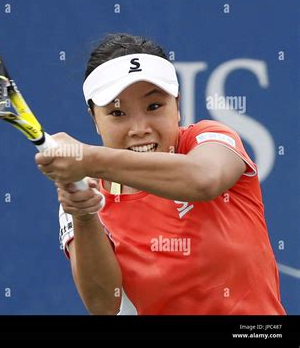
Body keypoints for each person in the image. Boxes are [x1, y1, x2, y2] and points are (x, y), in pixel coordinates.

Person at [35, 33, 286, 315]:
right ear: (95, 119)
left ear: (177, 106)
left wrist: (89, 158)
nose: (139, 127)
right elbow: (103, 303)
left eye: (154, 106)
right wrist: (83, 214)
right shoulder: (84, 191)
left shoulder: (208, 138)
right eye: (118, 114)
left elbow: (203, 180)